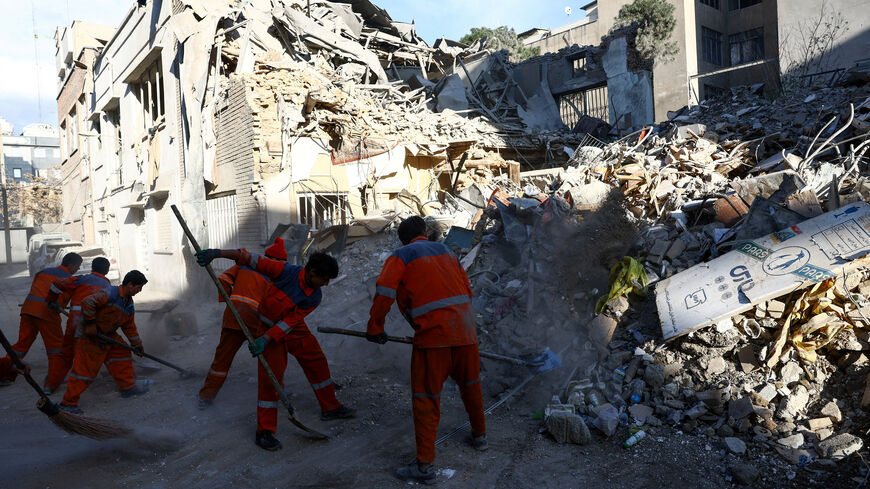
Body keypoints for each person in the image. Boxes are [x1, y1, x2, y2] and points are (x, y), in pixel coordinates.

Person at [365, 216, 486, 484]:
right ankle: (480, 437)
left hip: (433, 339)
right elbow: (466, 289)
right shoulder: (446, 251)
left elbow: (384, 291)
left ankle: (424, 467)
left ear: (404, 239)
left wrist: (375, 328)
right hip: (465, 333)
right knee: (471, 385)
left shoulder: (401, 256)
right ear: (425, 233)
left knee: (427, 400)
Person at [196, 247, 355, 451]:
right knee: (272, 376)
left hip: (287, 325)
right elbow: (246, 256)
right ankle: (265, 431)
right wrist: (217, 253)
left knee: (315, 357)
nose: (325, 284)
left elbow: (290, 322)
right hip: (266, 323)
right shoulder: (283, 271)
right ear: (312, 272)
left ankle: (330, 407)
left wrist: (267, 339)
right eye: (324, 279)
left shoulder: (314, 296)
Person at [197, 239, 288, 410]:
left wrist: (230, 301)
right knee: (272, 357)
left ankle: (205, 397)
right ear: (280, 262)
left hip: (233, 316)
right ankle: (277, 390)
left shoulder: (244, 265)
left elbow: (223, 279)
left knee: (221, 360)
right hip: (256, 322)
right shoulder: (276, 276)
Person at [59, 270, 149, 414]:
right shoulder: (110, 293)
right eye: (139, 287)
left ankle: (127, 387)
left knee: (123, 353)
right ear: (130, 285)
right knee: (85, 370)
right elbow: (88, 302)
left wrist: (137, 345)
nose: (140, 291)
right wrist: (91, 325)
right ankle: (68, 402)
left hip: (108, 335)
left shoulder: (128, 304)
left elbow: (129, 327)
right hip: (90, 336)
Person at [0, 253, 82, 390]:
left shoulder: (43, 272)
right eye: (78, 267)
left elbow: (38, 290)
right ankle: (52, 382)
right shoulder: (69, 279)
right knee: (56, 348)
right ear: (71, 265)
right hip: (47, 313)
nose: (78, 270)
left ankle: (3, 373)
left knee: (22, 344)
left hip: (28, 309)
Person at [42, 257, 112, 393]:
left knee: (65, 354)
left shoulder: (81, 279)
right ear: (107, 271)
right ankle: (74, 392)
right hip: (89, 322)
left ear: (92, 268)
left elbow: (56, 284)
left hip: (74, 320)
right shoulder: (107, 286)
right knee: (84, 355)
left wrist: (51, 300)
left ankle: (49, 386)